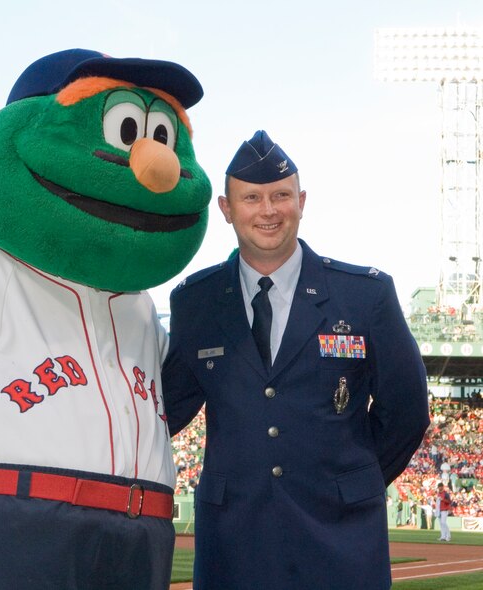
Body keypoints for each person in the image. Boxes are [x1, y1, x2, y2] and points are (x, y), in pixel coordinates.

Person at [162, 130, 431, 589]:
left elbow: (407, 412)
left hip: (341, 537)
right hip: (233, 542)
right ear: (227, 210)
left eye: (280, 196)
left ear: (301, 202)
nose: (268, 211)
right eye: (251, 198)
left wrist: (350, 483)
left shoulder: (365, 296)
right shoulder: (197, 302)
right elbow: (161, 410)